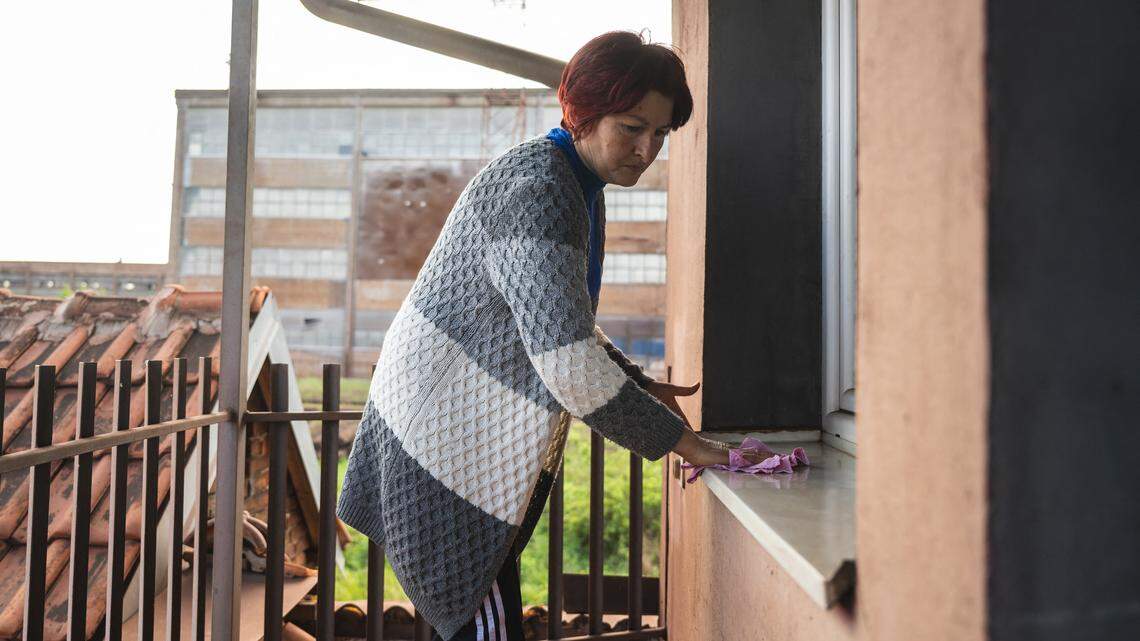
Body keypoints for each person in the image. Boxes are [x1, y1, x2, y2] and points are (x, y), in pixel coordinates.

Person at [336, 30, 764, 641]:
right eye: (631, 127)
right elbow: (566, 362)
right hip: (436, 457)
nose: (647, 149)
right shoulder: (541, 189)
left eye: (661, 133)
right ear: (583, 113)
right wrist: (690, 446)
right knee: (487, 623)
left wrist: (638, 384)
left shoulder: (573, 179)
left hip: (446, 444)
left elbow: (552, 319)